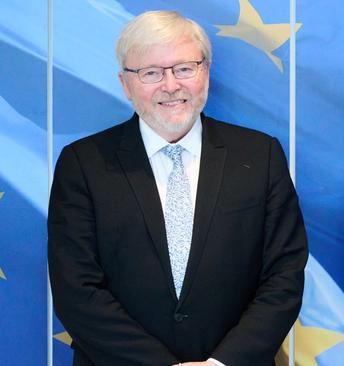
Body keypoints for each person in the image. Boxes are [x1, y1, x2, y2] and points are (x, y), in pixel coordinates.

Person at [48, 10, 308, 366]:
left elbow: (284, 275)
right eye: (151, 73)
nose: (170, 85)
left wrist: (222, 363)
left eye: (184, 68)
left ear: (206, 72)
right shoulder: (82, 164)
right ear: (125, 84)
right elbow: (75, 288)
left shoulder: (260, 156)